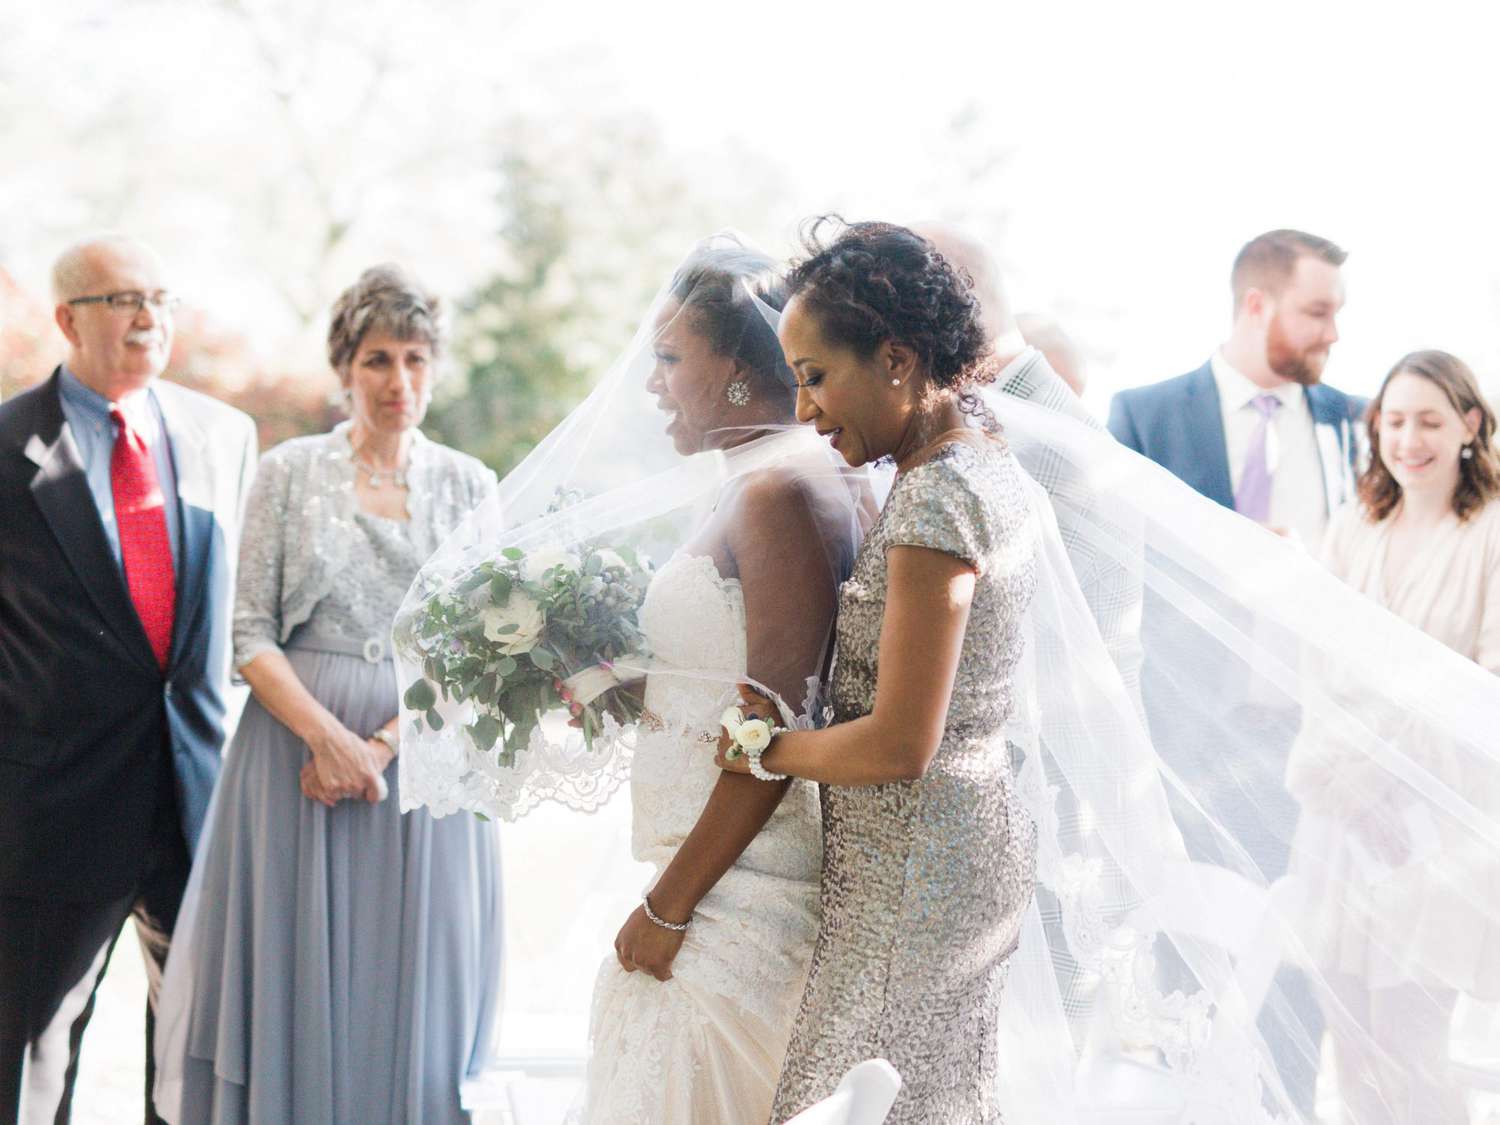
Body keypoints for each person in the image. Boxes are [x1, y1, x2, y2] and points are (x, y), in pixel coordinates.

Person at [392, 239, 865, 1125]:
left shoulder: (777, 493)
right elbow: (732, 678)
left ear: (733, 366)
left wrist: (668, 908)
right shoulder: (752, 481)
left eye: (668, 357)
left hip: (739, 889)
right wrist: (628, 684)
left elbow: (774, 729)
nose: (651, 383)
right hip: (708, 868)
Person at [152, 265, 501, 1124]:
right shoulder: (288, 472)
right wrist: (326, 739)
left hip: (421, 770)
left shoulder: (471, 484)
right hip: (289, 758)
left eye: (417, 359)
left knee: (413, 979)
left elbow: (483, 653)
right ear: (346, 368)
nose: (399, 382)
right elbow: (249, 636)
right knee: (296, 974)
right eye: (379, 359)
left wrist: (378, 745)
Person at [718, 220, 1039, 1124]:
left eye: (817, 377)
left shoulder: (940, 496)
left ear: (897, 358)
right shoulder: (974, 459)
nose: (806, 409)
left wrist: (768, 750)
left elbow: (901, 741)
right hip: (946, 854)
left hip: (917, 877)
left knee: (851, 1101)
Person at [0, 234, 257, 1125]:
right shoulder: (6, 447)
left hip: (195, 796)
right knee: (31, 1051)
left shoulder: (225, 436)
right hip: (52, 807)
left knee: (198, 1049)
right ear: (67, 318)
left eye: (160, 298)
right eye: (122, 300)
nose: (149, 316)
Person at [1288, 349, 1500, 1122]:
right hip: (1340, 820)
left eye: (1431, 420)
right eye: (1396, 420)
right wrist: (1340, 783)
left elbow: (1487, 683)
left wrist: (1388, 771)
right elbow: (1315, 668)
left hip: (1438, 830)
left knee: (1412, 1046)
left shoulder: (1490, 533)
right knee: (1353, 1050)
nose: (1409, 438)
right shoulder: (1357, 524)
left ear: (1470, 425)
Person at [1108, 228, 1363, 551]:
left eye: (1336, 314)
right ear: (1256, 305)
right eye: (1317, 313)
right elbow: (1111, 548)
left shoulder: (1358, 421)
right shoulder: (1143, 418)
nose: (1333, 334)